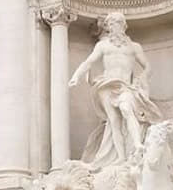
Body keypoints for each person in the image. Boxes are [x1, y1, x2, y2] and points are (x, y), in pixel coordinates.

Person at [69, 13, 162, 167]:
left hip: (125, 86)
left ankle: (138, 144)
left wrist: (142, 77)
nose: (113, 26)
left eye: (117, 23)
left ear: (124, 25)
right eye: (110, 24)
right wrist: (76, 76)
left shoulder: (134, 47)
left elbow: (148, 67)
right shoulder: (103, 46)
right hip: (106, 85)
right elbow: (88, 62)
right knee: (114, 122)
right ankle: (121, 157)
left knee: (126, 108)